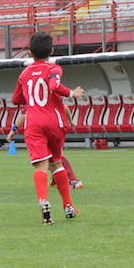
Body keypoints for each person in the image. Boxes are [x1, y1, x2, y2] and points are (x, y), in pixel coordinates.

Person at [10, 31, 85, 224]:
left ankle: (43, 200)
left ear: (30, 53)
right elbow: (53, 85)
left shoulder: (24, 73)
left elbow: (15, 100)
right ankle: (68, 205)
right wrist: (72, 93)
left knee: (40, 165)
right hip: (55, 121)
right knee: (56, 162)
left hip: (34, 122)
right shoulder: (54, 68)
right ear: (51, 50)